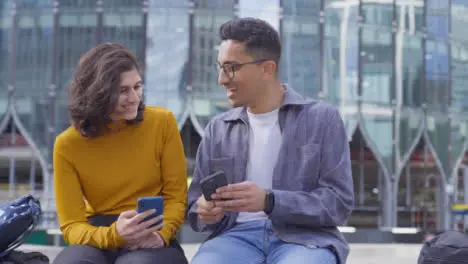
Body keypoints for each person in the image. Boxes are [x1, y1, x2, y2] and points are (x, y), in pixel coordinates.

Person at [186, 18, 354, 264]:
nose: (222, 79)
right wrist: (204, 211)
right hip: (235, 237)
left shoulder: (322, 119)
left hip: (305, 238)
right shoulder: (218, 129)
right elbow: (194, 205)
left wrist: (269, 201)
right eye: (220, 67)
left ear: (267, 69)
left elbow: (338, 203)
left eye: (231, 67)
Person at [52, 43, 188, 264]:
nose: (134, 97)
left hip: (151, 232)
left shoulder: (163, 123)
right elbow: (71, 226)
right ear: (98, 93)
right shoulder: (67, 144)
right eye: (123, 90)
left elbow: (176, 197)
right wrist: (115, 235)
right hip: (98, 234)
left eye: (137, 86)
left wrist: (161, 235)